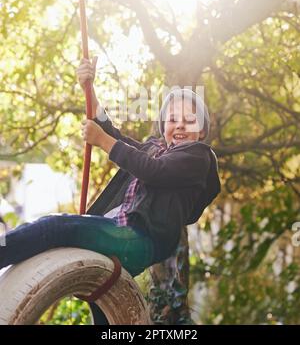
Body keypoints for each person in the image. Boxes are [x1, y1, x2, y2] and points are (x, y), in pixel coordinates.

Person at [0, 58, 220, 280]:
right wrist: (90, 89)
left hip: (139, 239)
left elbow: (151, 170)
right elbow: (115, 135)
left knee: (55, 227)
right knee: (99, 290)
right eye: (172, 119)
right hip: (120, 230)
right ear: (163, 128)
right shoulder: (154, 149)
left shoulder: (197, 156)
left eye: (189, 120)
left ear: (201, 132)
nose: (180, 124)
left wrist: (102, 140)